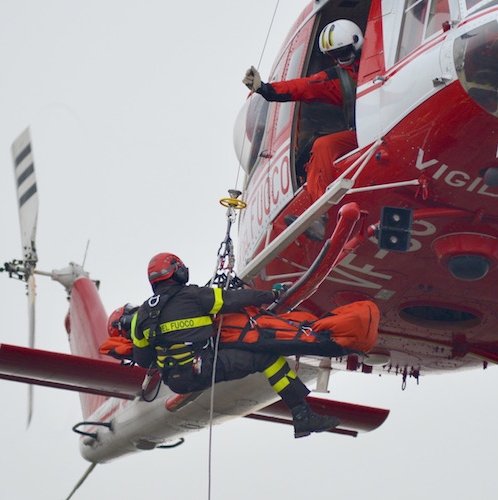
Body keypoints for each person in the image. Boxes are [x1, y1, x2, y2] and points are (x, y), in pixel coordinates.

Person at [127, 252, 342, 438]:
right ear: (177, 272)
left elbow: (144, 360)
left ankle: (302, 415)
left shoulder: (142, 315)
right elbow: (234, 299)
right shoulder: (193, 295)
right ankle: (302, 415)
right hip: (202, 369)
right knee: (268, 358)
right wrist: (271, 295)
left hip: (174, 382)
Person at [242, 19, 364, 210]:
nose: (341, 57)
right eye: (335, 54)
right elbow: (302, 87)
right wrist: (265, 89)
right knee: (323, 145)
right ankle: (321, 208)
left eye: (344, 52)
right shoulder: (337, 79)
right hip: (363, 134)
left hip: (390, 124)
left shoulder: (379, 58)